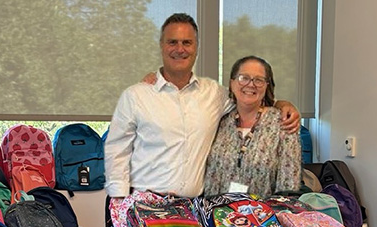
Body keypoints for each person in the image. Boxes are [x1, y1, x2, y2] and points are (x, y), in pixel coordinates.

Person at [103, 13, 300, 202]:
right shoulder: (137, 95)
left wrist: (283, 104)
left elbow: (247, 96)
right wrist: (119, 200)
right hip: (144, 204)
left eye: (187, 42)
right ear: (162, 46)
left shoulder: (214, 94)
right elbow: (117, 150)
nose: (180, 49)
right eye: (173, 42)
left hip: (194, 209)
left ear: (196, 47)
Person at [203, 56, 302, 197]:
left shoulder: (284, 124)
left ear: (267, 85)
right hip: (216, 213)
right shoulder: (218, 120)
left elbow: (288, 189)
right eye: (244, 77)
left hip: (262, 216)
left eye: (259, 80)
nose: (250, 84)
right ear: (232, 83)